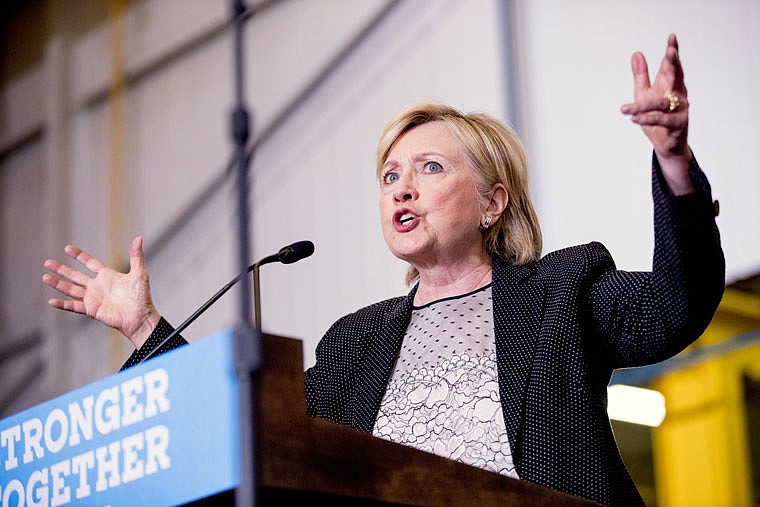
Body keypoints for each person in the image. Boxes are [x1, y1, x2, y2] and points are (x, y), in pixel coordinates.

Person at [43, 34, 724, 507]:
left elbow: (675, 306)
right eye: (390, 175)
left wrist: (672, 160)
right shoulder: (355, 344)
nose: (401, 188)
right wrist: (144, 327)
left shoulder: (561, 291)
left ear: (493, 202)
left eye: (429, 168)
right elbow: (246, 431)